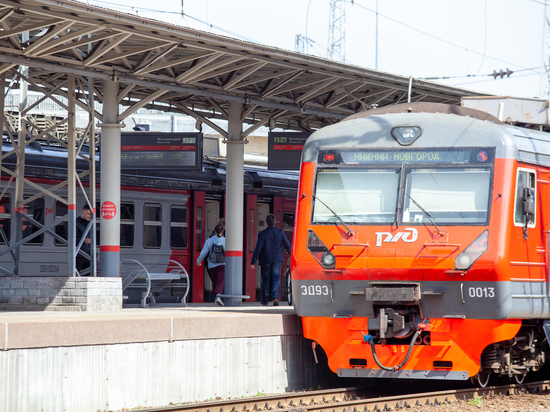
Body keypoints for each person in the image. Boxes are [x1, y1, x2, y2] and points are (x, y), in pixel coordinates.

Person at [250, 213, 291, 306]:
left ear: (266, 222)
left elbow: (258, 248)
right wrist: (291, 254)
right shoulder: (280, 232)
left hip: (265, 260)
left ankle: (265, 300)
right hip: (277, 260)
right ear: (275, 222)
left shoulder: (262, 234)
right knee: (276, 278)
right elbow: (287, 245)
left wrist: (253, 261)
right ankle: (275, 297)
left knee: (265, 279)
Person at [197, 223, 225, 306]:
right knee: (220, 280)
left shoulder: (209, 240)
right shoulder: (225, 241)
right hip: (222, 263)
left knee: (214, 281)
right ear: (223, 231)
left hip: (211, 264)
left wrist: (199, 260)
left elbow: (204, 252)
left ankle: (216, 297)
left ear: (214, 231)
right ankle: (218, 297)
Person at [75, 204, 93, 274]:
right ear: (83, 212)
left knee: (87, 275)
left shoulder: (91, 223)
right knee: (78, 274)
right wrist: (83, 241)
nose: (89, 216)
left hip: (88, 254)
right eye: (88, 213)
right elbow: (72, 239)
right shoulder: (76, 223)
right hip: (79, 254)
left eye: (90, 214)